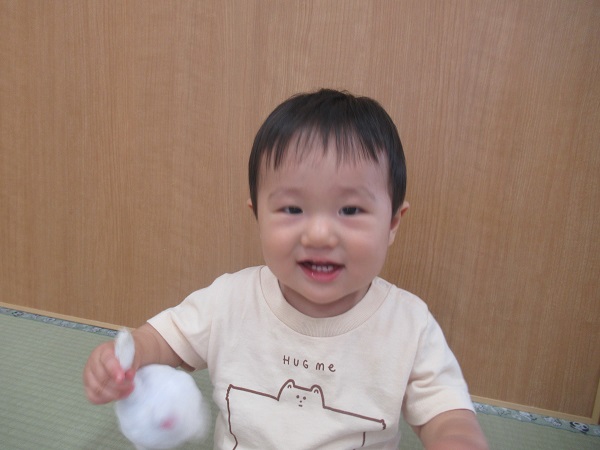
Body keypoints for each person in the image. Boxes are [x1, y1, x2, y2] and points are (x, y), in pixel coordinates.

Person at [84, 89, 488, 449]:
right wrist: (125, 358)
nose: (319, 234)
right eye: (293, 209)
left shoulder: (409, 325)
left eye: (350, 210)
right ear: (258, 216)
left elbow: (447, 414)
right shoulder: (229, 301)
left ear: (393, 223)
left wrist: (457, 438)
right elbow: (164, 339)